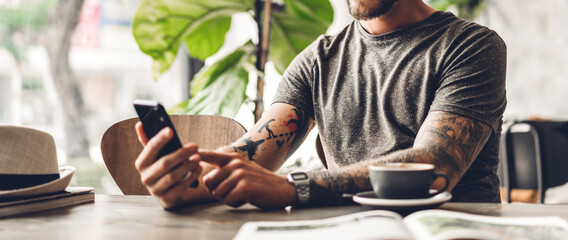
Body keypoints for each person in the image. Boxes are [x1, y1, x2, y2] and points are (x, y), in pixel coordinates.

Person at [134, 0, 506, 209]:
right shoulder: (319, 60)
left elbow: (434, 165)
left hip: (450, 231)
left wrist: (295, 187)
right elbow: (253, 152)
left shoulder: (472, 46)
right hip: (358, 231)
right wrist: (188, 179)